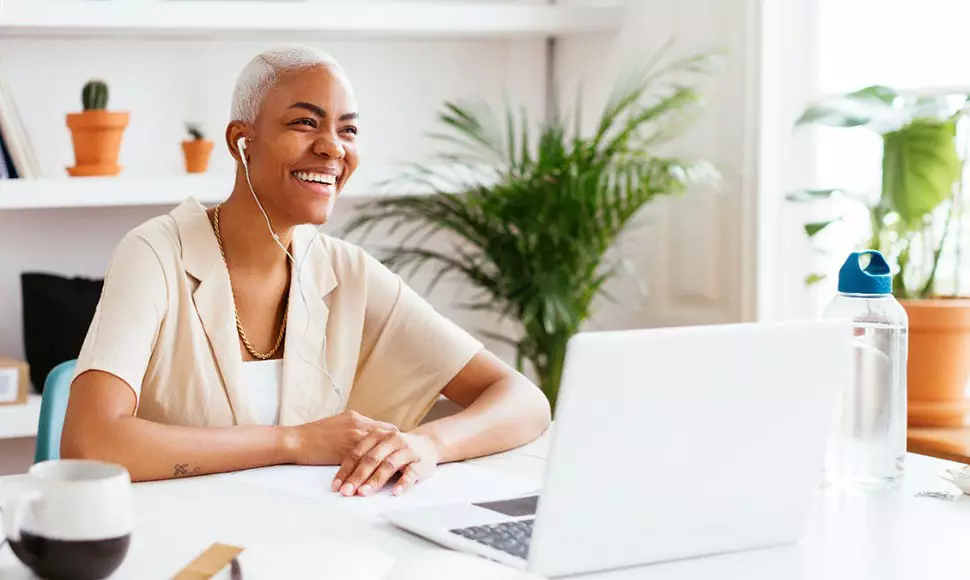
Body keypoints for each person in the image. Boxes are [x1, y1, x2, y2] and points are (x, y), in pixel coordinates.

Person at [60, 46, 551, 496]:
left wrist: (427, 446)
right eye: (304, 123)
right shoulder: (154, 253)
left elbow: (523, 401)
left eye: (348, 129)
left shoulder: (348, 271)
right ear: (241, 142)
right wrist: (292, 442)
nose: (333, 148)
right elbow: (90, 444)